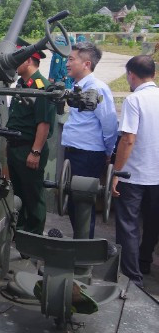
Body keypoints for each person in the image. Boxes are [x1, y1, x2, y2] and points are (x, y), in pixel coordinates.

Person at [61, 42, 118, 238]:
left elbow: (110, 125)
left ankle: (83, 253)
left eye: (71, 59)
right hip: (74, 153)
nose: (67, 63)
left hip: (87, 155)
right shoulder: (78, 87)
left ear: (86, 63)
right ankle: (79, 245)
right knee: (75, 206)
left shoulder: (98, 89)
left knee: (84, 205)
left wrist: (108, 153)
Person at [113, 55, 159, 287]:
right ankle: (144, 261)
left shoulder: (135, 100)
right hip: (157, 175)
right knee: (152, 223)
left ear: (131, 74)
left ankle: (133, 279)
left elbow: (128, 139)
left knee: (128, 225)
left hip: (134, 175)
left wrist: (116, 172)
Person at [6, 38, 55, 236]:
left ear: (28, 61)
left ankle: (33, 236)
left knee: (33, 195)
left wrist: (35, 151)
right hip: (15, 147)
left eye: (17, 60)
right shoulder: (22, 83)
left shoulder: (41, 86)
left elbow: (43, 124)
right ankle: (19, 231)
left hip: (29, 149)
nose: (13, 64)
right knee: (18, 193)